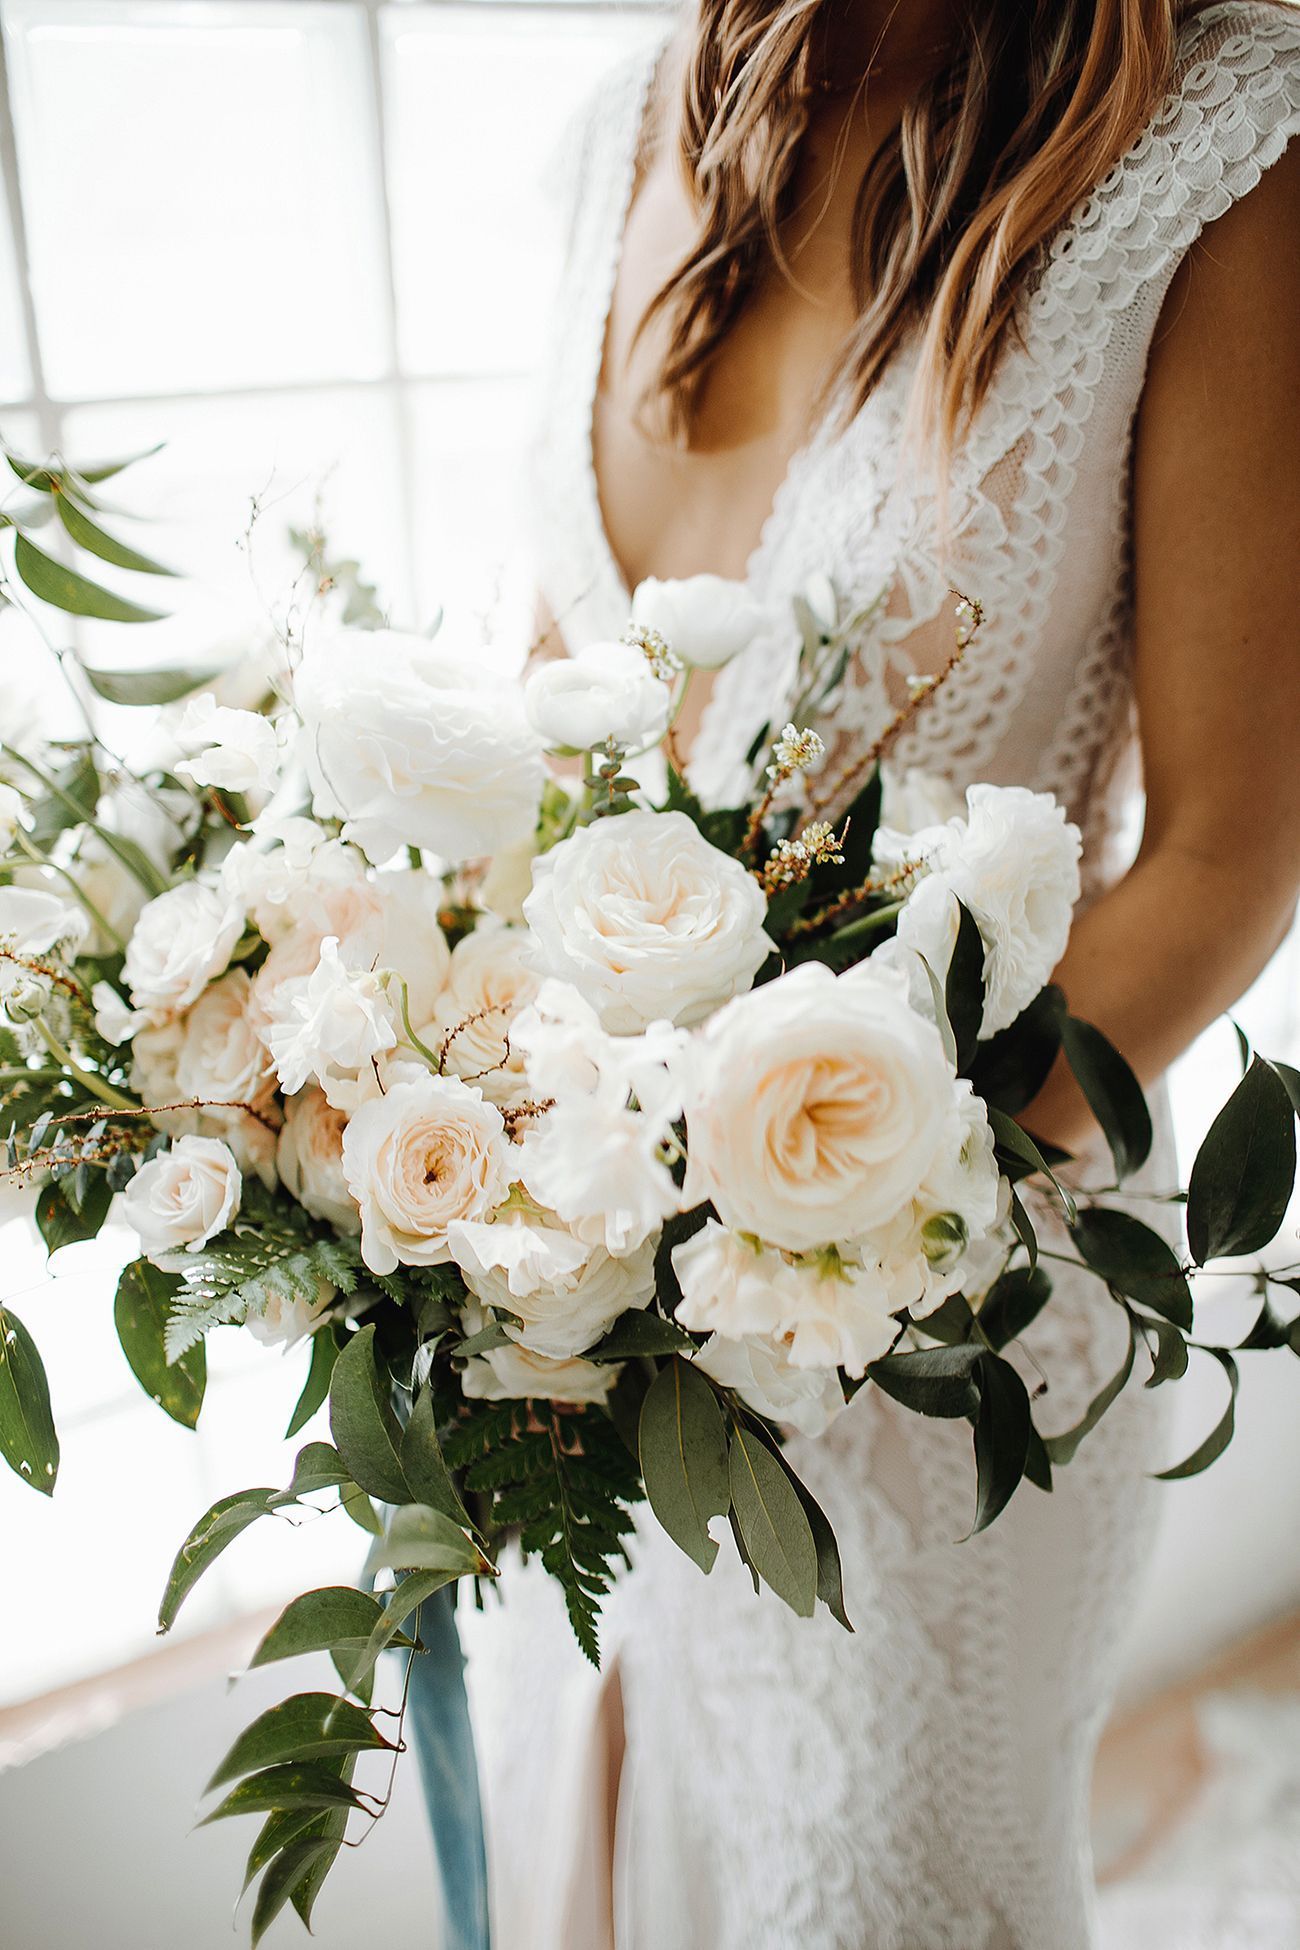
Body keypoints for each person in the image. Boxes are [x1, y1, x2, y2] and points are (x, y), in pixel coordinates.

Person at [461, 4, 1300, 1944]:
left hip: (941, 1308)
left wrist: (781, 1248)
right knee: (588, 1829)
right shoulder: (625, 126)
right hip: (569, 1298)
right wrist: (497, 1199)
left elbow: (1223, 856)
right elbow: (554, 724)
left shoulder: (1222, 143)